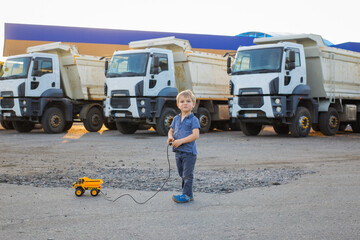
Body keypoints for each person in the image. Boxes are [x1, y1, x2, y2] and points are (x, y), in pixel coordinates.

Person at [167, 89, 200, 203]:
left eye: (188, 101)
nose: (185, 103)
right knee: (182, 173)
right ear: (178, 105)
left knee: (187, 175)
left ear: (193, 104)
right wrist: (170, 137)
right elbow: (170, 131)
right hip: (178, 152)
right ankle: (188, 194)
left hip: (189, 153)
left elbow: (195, 135)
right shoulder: (176, 119)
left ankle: (186, 195)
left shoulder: (193, 120)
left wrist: (181, 141)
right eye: (182, 101)